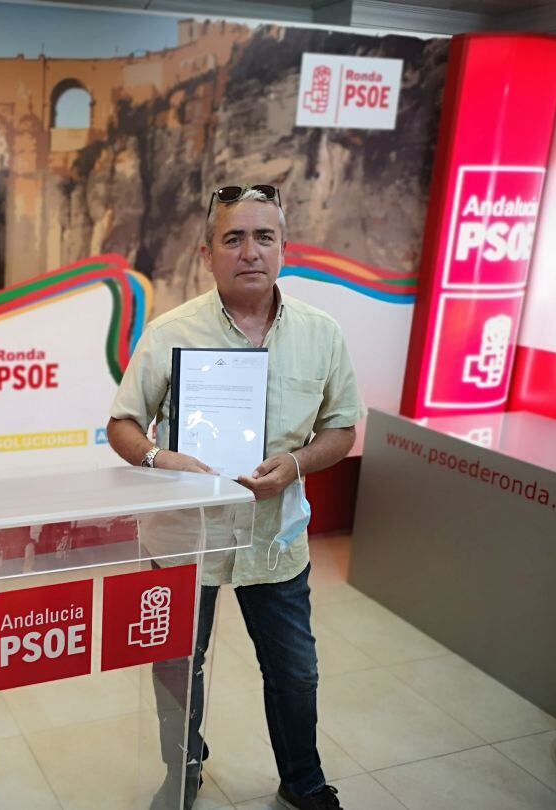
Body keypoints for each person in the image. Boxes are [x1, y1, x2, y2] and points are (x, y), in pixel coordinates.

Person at [107, 185, 364, 810]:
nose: (250, 251)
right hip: (183, 537)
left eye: (263, 237)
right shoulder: (171, 332)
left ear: (284, 248)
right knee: (176, 668)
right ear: (208, 253)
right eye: (233, 239)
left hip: (273, 537)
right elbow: (123, 425)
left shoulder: (321, 334)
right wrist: (160, 458)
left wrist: (297, 465)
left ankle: (303, 780)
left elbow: (342, 428)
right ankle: (183, 772)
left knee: (294, 671)